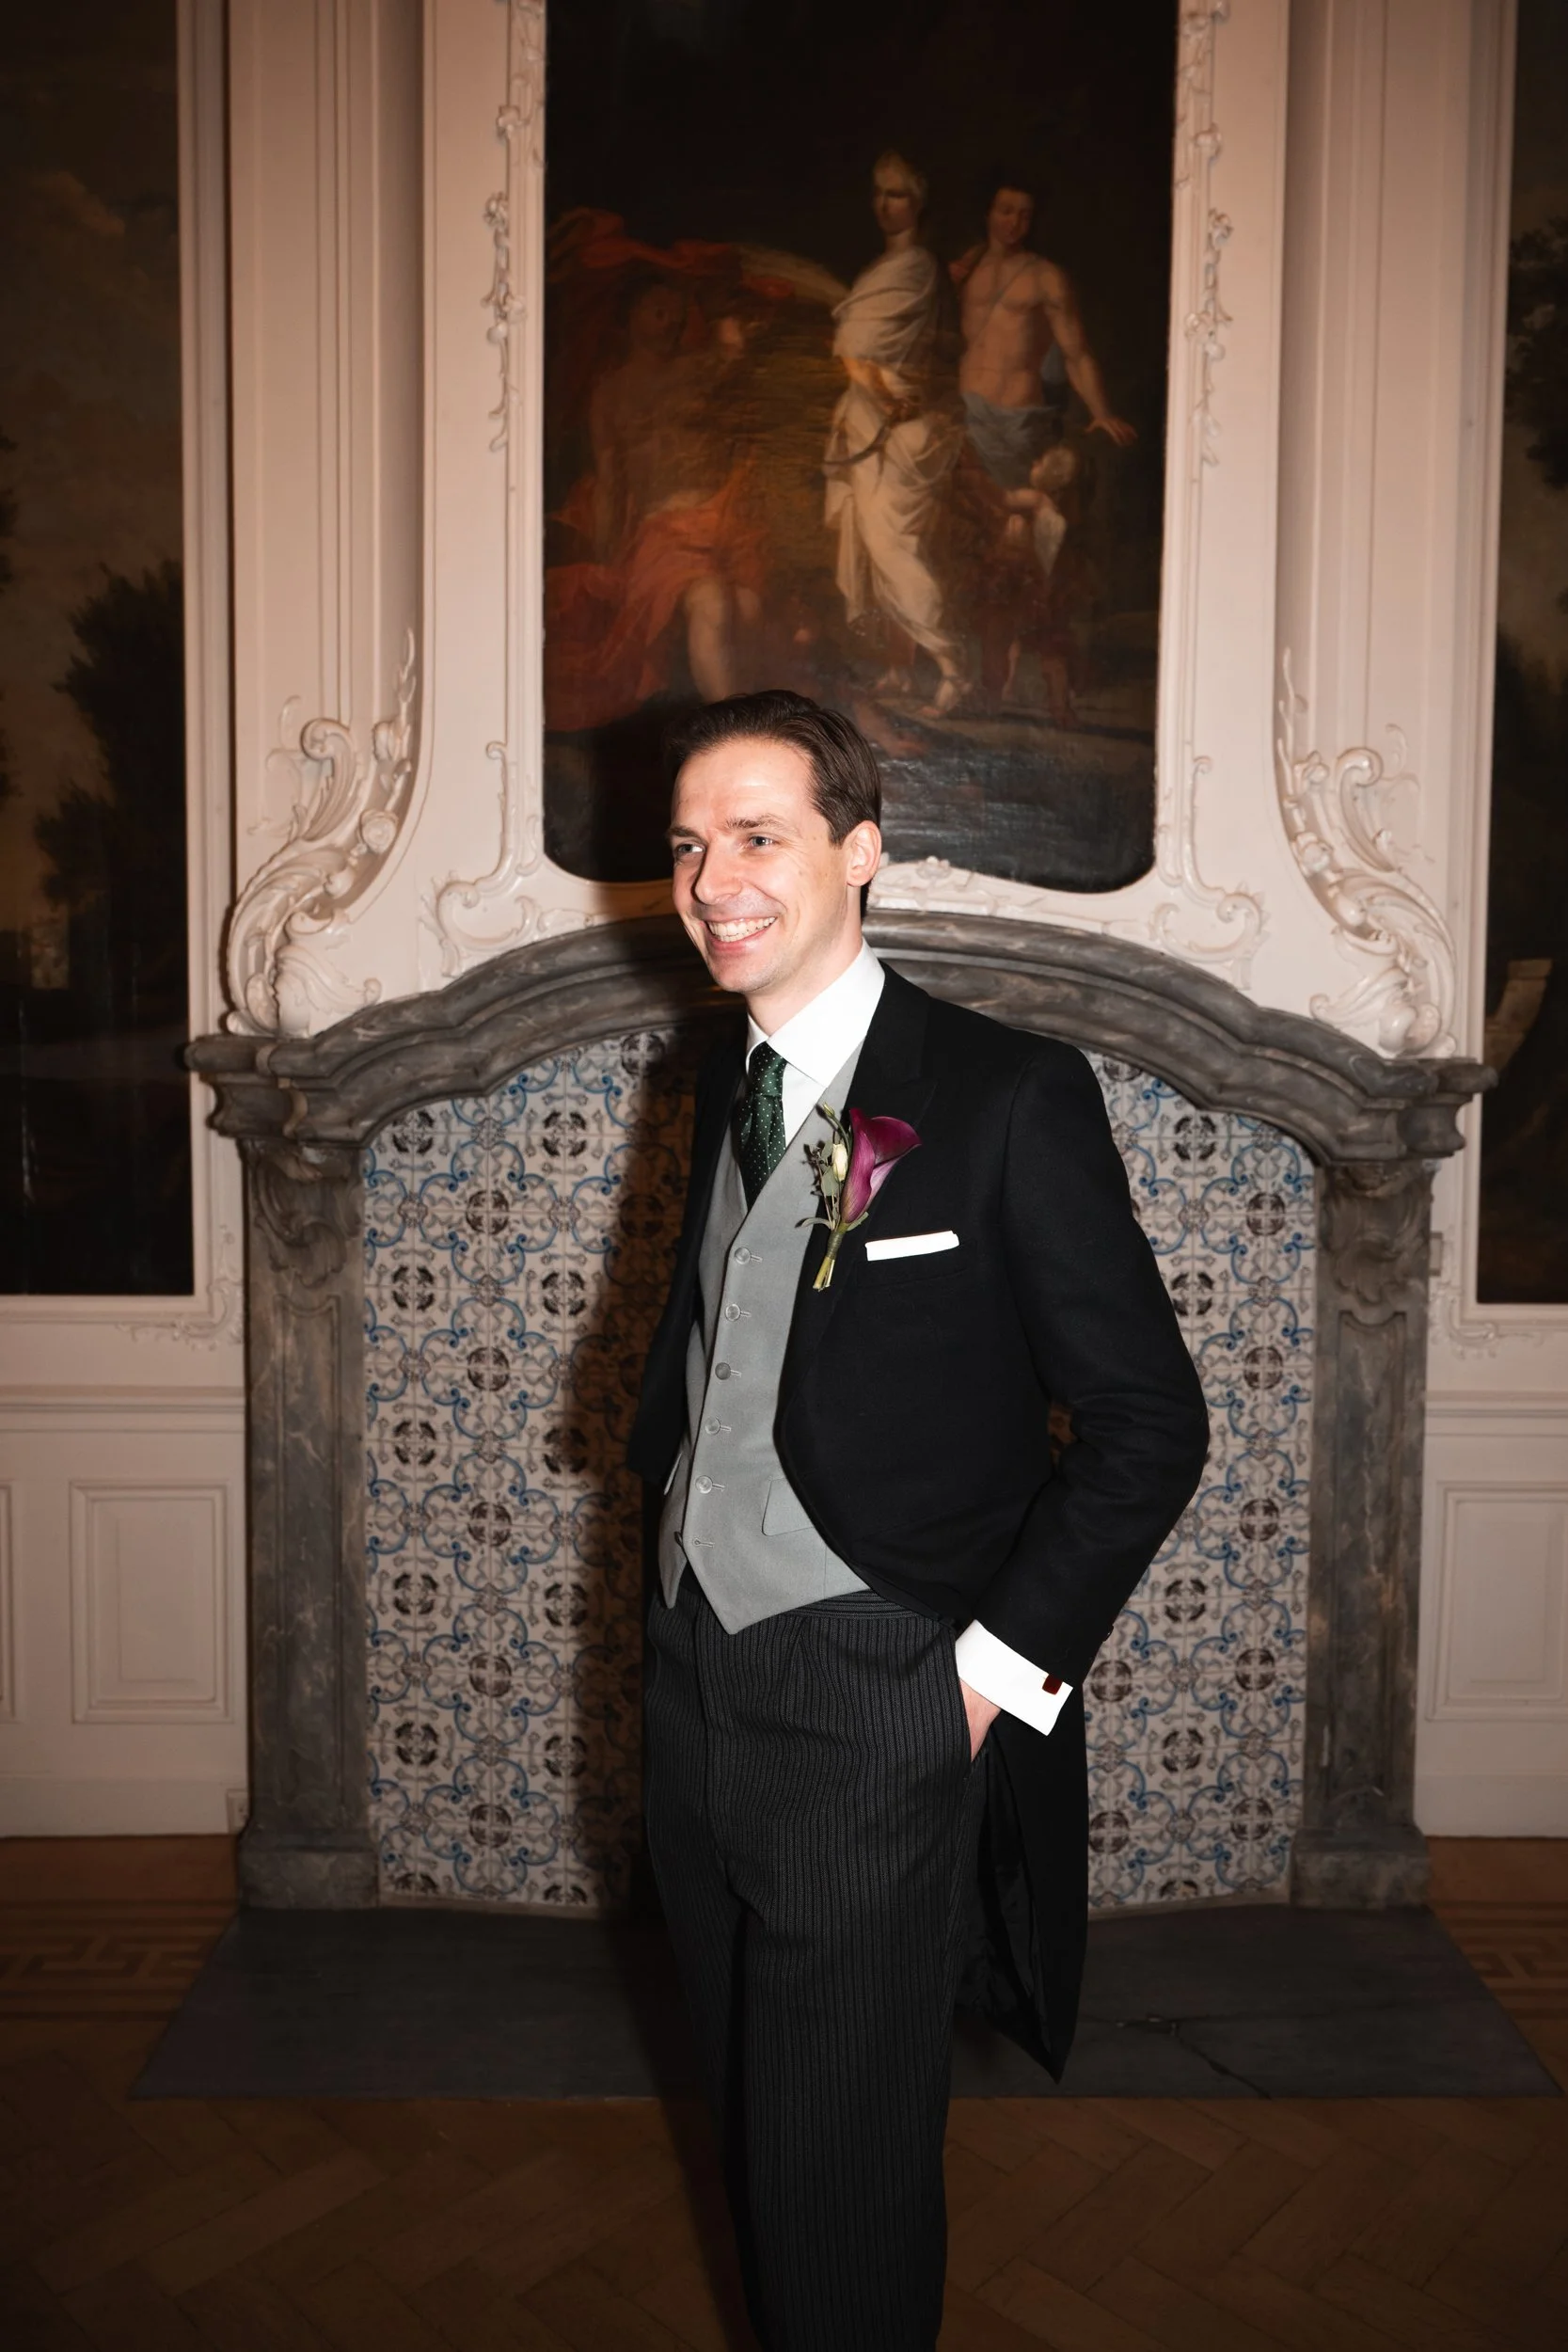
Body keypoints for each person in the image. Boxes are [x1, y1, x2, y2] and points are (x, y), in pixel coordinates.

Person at [627, 690, 1209, 2350]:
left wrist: (978, 1685)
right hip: (690, 1683)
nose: (712, 881)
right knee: (749, 2119)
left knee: (841, 2166)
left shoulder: (1008, 1093)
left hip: (877, 1695)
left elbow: (1148, 1427)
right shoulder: (717, 1077)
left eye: (757, 837)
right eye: (687, 845)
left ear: (861, 849)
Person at [546, 278, 763, 728]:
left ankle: (754, 732)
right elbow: (610, 481)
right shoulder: (611, 392)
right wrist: (609, 556)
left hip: (724, 520)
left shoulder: (697, 370)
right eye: (658, 310)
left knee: (751, 615)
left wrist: (725, 316)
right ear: (632, 316)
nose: (671, 322)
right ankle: (736, 738)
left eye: (677, 312)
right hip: (664, 532)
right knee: (712, 602)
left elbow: (736, 354)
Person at [824, 153, 972, 717]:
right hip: (871, 420)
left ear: (918, 202)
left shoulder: (914, 267)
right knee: (871, 545)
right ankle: (900, 669)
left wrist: (885, 397)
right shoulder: (883, 269)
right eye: (879, 194)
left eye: (898, 194)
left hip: (902, 428)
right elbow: (855, 352)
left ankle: (954, 664)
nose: (886, 205)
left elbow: (857, 350)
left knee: (892, 546)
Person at [955, 178, 1137, 487]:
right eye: (1006, 211)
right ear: (988, 213)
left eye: (1024, 215)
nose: (1014, 223)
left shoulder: (1046, 277)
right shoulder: (966, 268)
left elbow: (1076, 354)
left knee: (1017, 507)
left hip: (1016, 420)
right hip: (967, 415)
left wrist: (1101, 412)